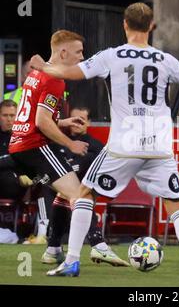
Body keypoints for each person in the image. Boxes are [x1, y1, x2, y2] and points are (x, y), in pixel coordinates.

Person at [30, 2, 179, 280]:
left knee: (86, 195)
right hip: (159, 147)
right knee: (176, 206)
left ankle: (73, 261)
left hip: (124, 145)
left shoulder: (111, 56)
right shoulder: (166, 60)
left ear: (124, 24)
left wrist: (45, 67)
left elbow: (70, 72)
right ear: (151, 26)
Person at [8, 30, 127, 266]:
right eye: (78, 52)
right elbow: (42, 122)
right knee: (80, 194)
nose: (82, 57)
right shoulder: (55, 79)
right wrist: (70, 143)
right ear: (63, 53)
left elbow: (35, 117)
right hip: (34, 147)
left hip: (20, 147)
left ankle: (53, 249)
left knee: (64, 194)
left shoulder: (36, 74)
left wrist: (62, 122)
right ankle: (99, 245)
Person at [40, 106, 127, 266]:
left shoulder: (96, 147)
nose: (77, 124)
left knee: (74, 194)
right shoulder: (57, 142)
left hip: (84, 189)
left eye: (82, 120)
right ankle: (97, 243)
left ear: (89, 123)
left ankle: (53, 248)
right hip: (58, 188)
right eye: (75, 120)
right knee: (69, 193)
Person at [0, 100, 27, 200]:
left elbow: (16, 158)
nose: (9, 119)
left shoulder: (22, 136)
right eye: (5, 115)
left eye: (12, 115)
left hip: (15, 180)